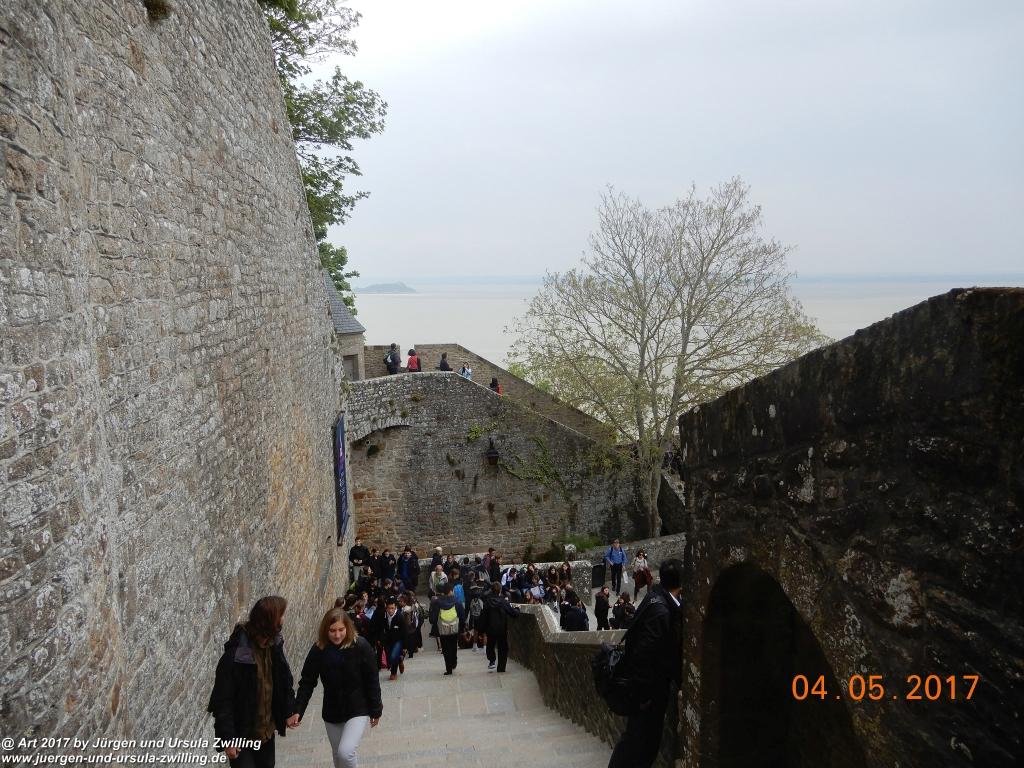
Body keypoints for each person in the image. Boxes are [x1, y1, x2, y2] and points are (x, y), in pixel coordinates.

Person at [607, 559, 684, 768]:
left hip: (644, 690)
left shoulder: (655, 597)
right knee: (641, 743)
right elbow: (643, 654)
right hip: (648, 693)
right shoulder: (661, 611)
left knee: (634, 740)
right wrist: (644, 696)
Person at [208, 596, 300, 767]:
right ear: (270, 621)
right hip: (242, 736)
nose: (283, 619)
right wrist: (228, 738)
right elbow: (222, 701)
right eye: (281, 615)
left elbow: (283, 680)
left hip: (266, 733)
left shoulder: (274, 646)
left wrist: (290, 709)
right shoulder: (236, 655)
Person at [295, 608, 382, 768]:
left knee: (346, 752)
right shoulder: (318, 650)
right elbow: (307, 681)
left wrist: (376, 709)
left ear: (347, 628)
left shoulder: (360, 646)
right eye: (332, 631)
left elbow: (372, 679)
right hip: (332, 711)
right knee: (337, 755)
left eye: (341, 630)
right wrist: (298, 710)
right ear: (325, 630)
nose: (337, 635)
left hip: (357, 708)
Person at [481, 582, 520, 672]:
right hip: (501, 629)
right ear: (500, 590)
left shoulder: (487, 602)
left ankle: (492, 660)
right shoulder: (503, 602)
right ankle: (501, 668)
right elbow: (513, 613)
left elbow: (483, 616)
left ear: (492, 590)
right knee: (503, 648)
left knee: (490, 645)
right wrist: (517, 609)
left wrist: (482, 629)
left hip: (490, 629)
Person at [428, 582, 465, 675]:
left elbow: (432, 619)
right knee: (453, 646)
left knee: (445, 648)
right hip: (454, 628)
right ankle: (454, 661)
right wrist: (462, 627)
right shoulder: (456, 601)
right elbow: (462, 616)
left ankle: (448, 669)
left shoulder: (437, 602)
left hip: (442, 629)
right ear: (451, 591)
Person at [379, 597, 405, 681]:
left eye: (392, 608)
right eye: (389, 608)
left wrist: (405, 646)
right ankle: (400, 659)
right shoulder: (383, 615)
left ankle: (393, 673)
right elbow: (380, 628)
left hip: (398, 639)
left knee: (394, 655)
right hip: (387, 639)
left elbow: (404, 632)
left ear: (395, 607)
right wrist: (380, 639)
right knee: (389, 656)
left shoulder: (400, 617)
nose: (390, 610)